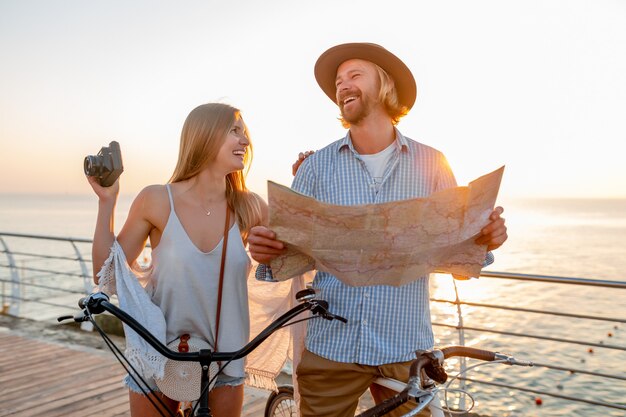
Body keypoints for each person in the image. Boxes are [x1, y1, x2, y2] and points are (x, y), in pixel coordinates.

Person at [248, 43, 508, 417]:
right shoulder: (316, 168)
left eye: (354, 76)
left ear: (385, 86)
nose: (342, 86)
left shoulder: (433, 165)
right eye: (338, 82)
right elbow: (285, 255)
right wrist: (265, 250)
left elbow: (458, 257)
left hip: (405, 349)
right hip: (332, 349)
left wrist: (487, 240)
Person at [88, 103, 266, 417]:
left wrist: (304, 174)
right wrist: (107, 202)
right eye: (234, 131)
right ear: (204, 136)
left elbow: (292, 254)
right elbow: (107, 275)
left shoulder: (250, 206)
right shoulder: (156, 199)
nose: (245, 142)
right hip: (157, 353)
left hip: (225, 357)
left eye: (245, 133)